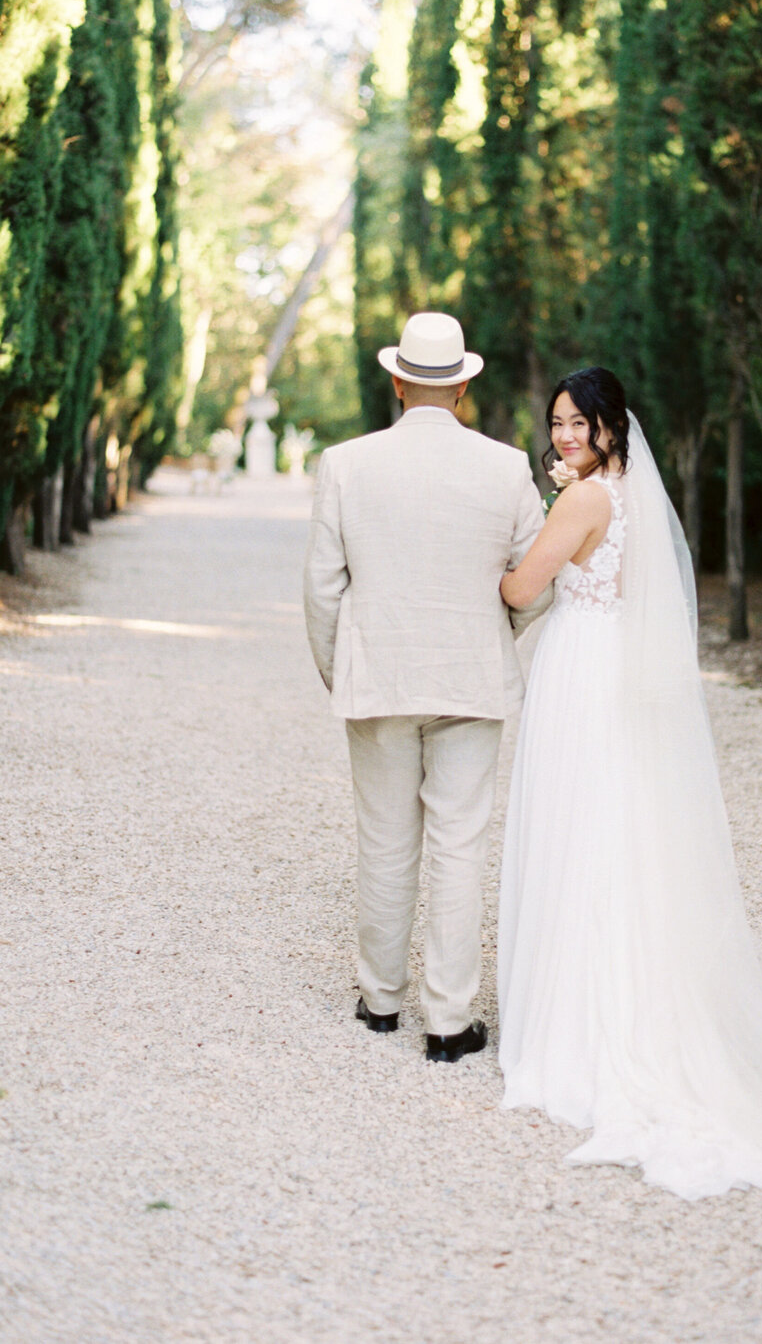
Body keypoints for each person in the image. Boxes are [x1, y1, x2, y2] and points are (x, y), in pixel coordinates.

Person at [498, 366, 762, 1197]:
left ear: (611, 425)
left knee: (578, 831)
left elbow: (520, 585)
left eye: (579, 423)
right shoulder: (631, 495)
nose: (565, 435)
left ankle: (578, 1032)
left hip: (582, 673)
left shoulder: (581, 500)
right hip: (615, 668)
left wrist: (537, 516)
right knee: (615, 833)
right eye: (557, 423)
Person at [304, 312, 552, 1063]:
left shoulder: (344, 464)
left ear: (397, 379)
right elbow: (534, 582)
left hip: (379, 678)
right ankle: (448, 1020)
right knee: (459, 845)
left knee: (383, 842)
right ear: (465, 387)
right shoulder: (506, 468)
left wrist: (339, 667)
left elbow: (321, 589)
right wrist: (491, 636)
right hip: (470, 679)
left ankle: (381, 1000)